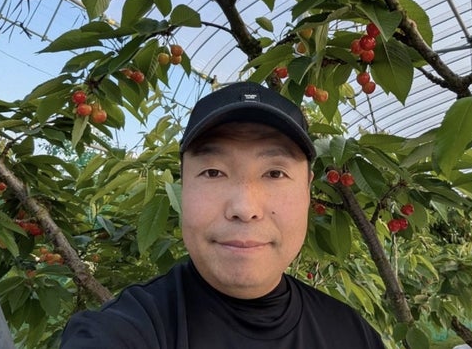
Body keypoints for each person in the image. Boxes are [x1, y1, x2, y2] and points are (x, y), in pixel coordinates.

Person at [60, 81, 385, 349]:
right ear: (183, 186)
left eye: (275, 173)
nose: (244, 208)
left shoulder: (354, 336)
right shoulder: (126, 330)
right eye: (213, 172)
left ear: (308, 190)